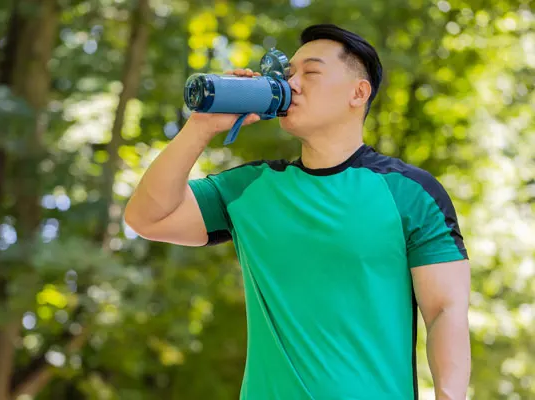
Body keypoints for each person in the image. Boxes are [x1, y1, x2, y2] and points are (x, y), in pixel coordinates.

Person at [124, 23, 471, 400]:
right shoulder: (250, 189)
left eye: (312, 73)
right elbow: (146, 217)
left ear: (358, 93)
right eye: (289, 74)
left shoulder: (411, 193)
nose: (293, 85)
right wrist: (201, 126)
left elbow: (444, 311)